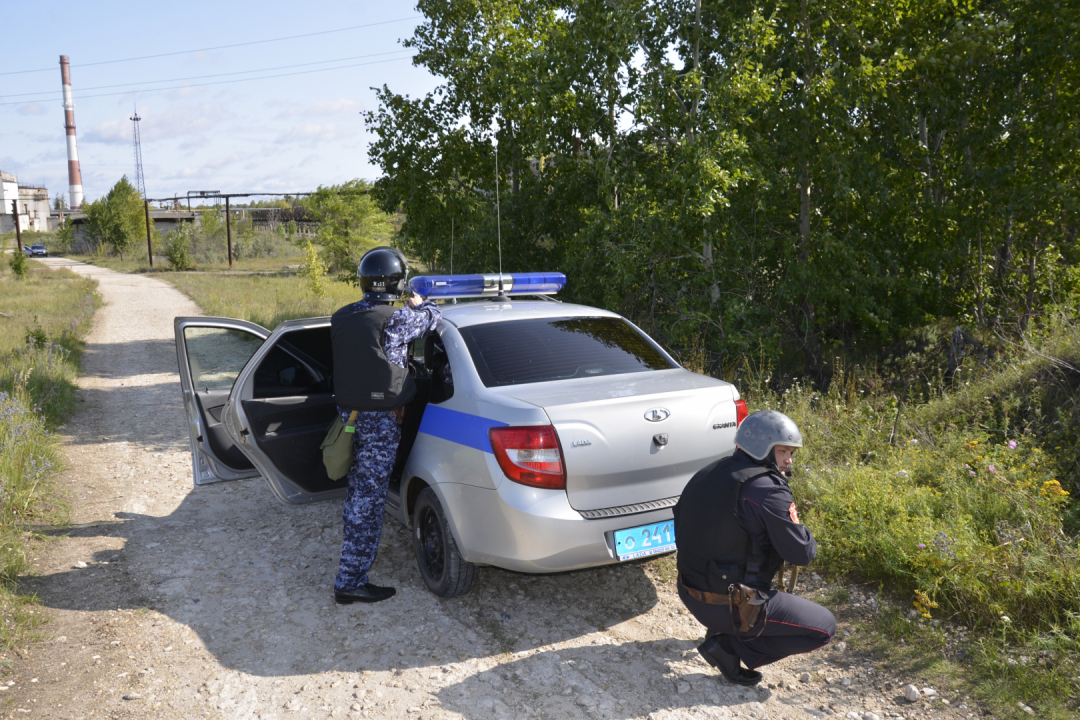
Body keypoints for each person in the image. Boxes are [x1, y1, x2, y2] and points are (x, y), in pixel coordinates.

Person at [673, 410, 835, 685]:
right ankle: (727, 646)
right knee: (824, 627)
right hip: (729, 604)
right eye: (783, 451)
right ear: (763, 449)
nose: (789, 460)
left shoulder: (712, 470)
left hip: (690, 590)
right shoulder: (767, 490)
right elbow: (802, 553)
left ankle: (722, 632)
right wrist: (802, 531)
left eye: (791, 452)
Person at [330, 246, 442, 604]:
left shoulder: (342, 317)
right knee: (369, 498)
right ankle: (350, 582)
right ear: (397, 282)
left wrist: (406, 307)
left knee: (358, 492)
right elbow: (433, 319)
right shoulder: (396, 319)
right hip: (381, 423)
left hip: (349, 417)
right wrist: (420, 302)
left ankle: (351, 573)